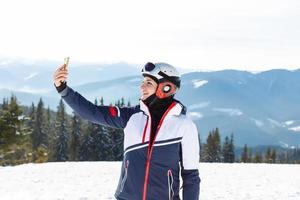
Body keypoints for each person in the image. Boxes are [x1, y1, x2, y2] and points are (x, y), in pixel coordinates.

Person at [53, 62, 200, 200]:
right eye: (143, 82)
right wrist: (63, 89)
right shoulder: (130, 116)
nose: (142, 87)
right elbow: (92, 112)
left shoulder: (185, 127)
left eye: (148, 83)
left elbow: (191, 176)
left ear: (166, 88)